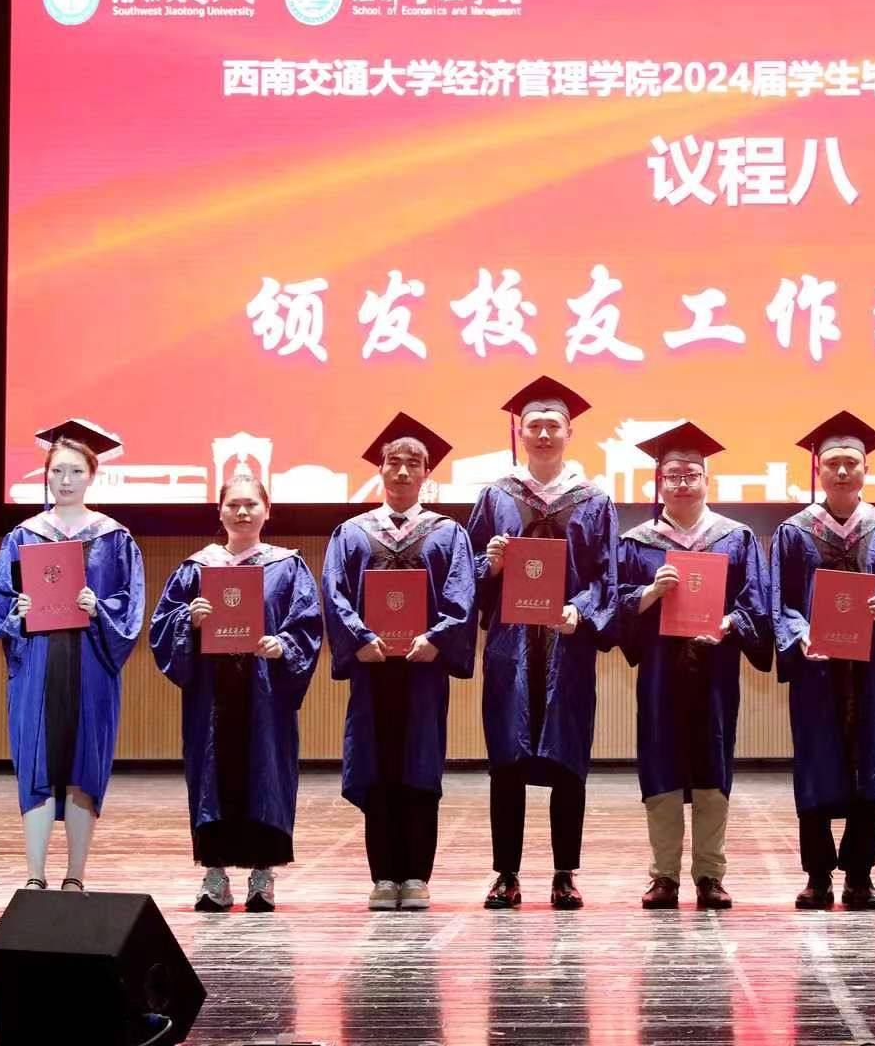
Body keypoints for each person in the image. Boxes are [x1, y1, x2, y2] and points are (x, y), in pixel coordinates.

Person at [466, 377, 619, 909]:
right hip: (511, 648)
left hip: (567, 647)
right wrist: (492, 565)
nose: (545, 434)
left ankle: (564, 874)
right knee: (507, 761)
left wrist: (583, 610)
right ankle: (506, 875)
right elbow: (468, 572)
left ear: (570, 432)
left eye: (554, 425)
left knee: (567, 760)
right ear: (521, 432)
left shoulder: (594, 500)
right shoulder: (496, 495)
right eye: (535, 425)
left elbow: (606, 575)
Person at [614, 421, 774, 910]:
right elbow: (614, 604)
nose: (682, 484)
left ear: (707, 480)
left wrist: (728, 623)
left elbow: (756, 604)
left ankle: (709, 875)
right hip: (660, 673)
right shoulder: (637, 541)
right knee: (660, 764)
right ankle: (663, 876)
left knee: (712, 766)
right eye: (672, 476)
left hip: (715, 672)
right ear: (659, 483)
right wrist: (649, 593)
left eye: (691, 475)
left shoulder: (735, 537)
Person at [322, 413, 477, 911]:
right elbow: (334, 594)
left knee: (420, 766)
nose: (403, 471)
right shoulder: (352, 533)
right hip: (372, 669)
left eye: (414, 463)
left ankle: (416, 877)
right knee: (377, 765)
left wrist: (437, 638)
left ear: (427, 472)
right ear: (381, 469)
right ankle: (383, 876)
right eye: (394, 462)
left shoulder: (447, 533)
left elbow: (462, 595)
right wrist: (359, 638)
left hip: (422, 669)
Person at [770, 410, 875, 911]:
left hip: (869, 670)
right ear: (818, 469)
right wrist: (799, 635)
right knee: (816, 762)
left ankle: (860, 874)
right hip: (816, 671)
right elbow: (781, 602)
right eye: (832, 463)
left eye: (851, 463)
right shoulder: (795, 531)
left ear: (865, 469)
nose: (841, 471)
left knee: (869, 764)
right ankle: (817, 876)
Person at [150, 469, 323, 912]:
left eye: (251, 504)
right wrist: (188, 620)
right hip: (211, 697)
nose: (242, 512)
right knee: (211, 777)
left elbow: (306, 625)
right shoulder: (196, 568)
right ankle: (215, 876)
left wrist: (282, 644)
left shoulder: (287, 567)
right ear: (220, 510)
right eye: (233, 504)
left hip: (265, 696)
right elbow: (162, 627)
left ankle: (263, 875)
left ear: (267, 511)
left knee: (266, 774)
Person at [0, 418, 144, 894]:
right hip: (38, 662)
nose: (66, 480)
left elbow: (130, 606)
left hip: (90, 664)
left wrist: (100, 608)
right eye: (57, 471)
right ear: (47, 475)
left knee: (82, 765)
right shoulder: (24, 536)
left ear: (92, 475)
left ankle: (75, 875)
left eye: (76, 471)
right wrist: (18, 612)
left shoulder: (114, 537)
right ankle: (35, 875)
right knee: (35, 761)